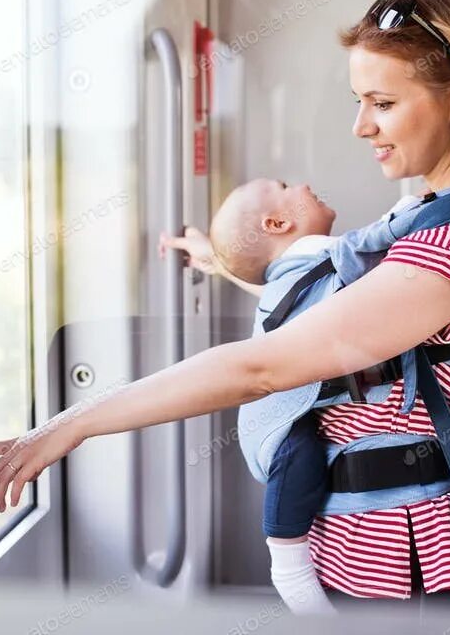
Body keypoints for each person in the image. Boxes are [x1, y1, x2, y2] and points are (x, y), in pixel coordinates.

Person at [0, 0, 450, 616]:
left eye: (381, 102)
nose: (360, 125)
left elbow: (261, 368)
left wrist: (72, 424)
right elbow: (341, 299)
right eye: (359, 100)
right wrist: (223, 261)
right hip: (397, 562)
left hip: (404, 578)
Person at [163, 176, 423, 614]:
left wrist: (216, 257)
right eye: (284, 186)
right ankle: (289, 568)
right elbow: (378, 246)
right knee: (297, 458)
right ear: (278, 221)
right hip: (279, 415)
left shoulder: (305, 268)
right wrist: (417, 207)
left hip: (284, 412)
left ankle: (291, 565)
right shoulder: (331, 259)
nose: (301, 183)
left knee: (299, 459)